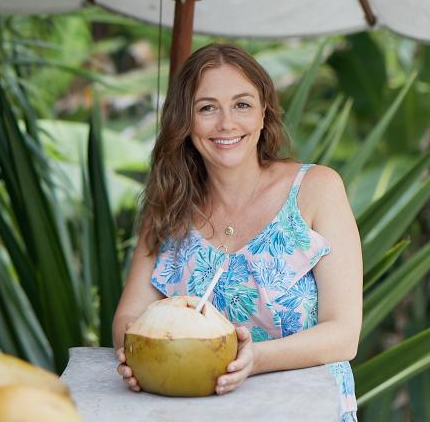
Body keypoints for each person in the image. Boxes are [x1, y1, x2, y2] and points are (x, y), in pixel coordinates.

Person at [113, 43, 362, 421]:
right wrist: (136, 356)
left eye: (242, 104)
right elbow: (128, 316)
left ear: (264, 114)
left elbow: (344, 334)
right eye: (207, 107)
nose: (226, 123)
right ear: (186, 120)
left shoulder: (317, 190)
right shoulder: (168, 207)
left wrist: (254, 358)